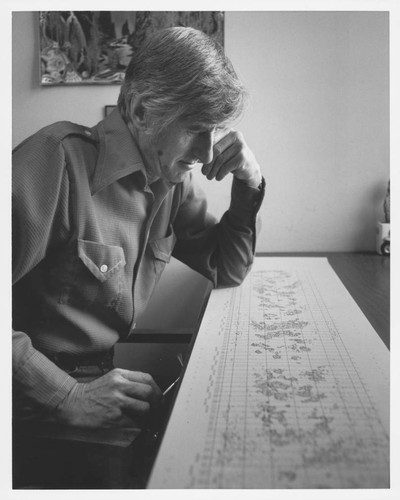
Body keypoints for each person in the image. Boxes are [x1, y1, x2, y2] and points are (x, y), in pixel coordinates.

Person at [12, 26, 265, 488]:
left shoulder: (170, 178)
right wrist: (68, 396)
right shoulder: (54, 162)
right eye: (195, 128)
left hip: (94, 388)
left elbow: (226, 268)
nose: (207, 151)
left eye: (216, 131)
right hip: (27, 410)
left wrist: (250, 184)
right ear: (144, 110)